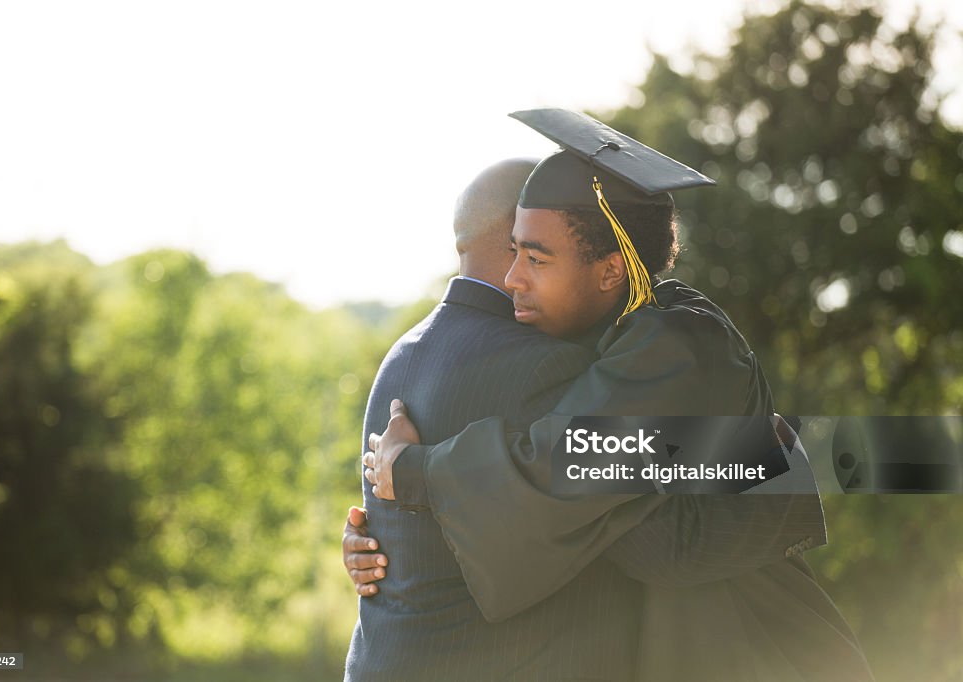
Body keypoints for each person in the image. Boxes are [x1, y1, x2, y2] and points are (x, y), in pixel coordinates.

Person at [359, 109, 874, 680]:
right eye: (514, 252)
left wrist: (416, 475)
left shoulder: (678, 343)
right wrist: (387, 536)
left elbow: (589, 478)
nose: (512, 279)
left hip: (751, 642)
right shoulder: (621, 338)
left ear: (609, 271)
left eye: (535, 257)